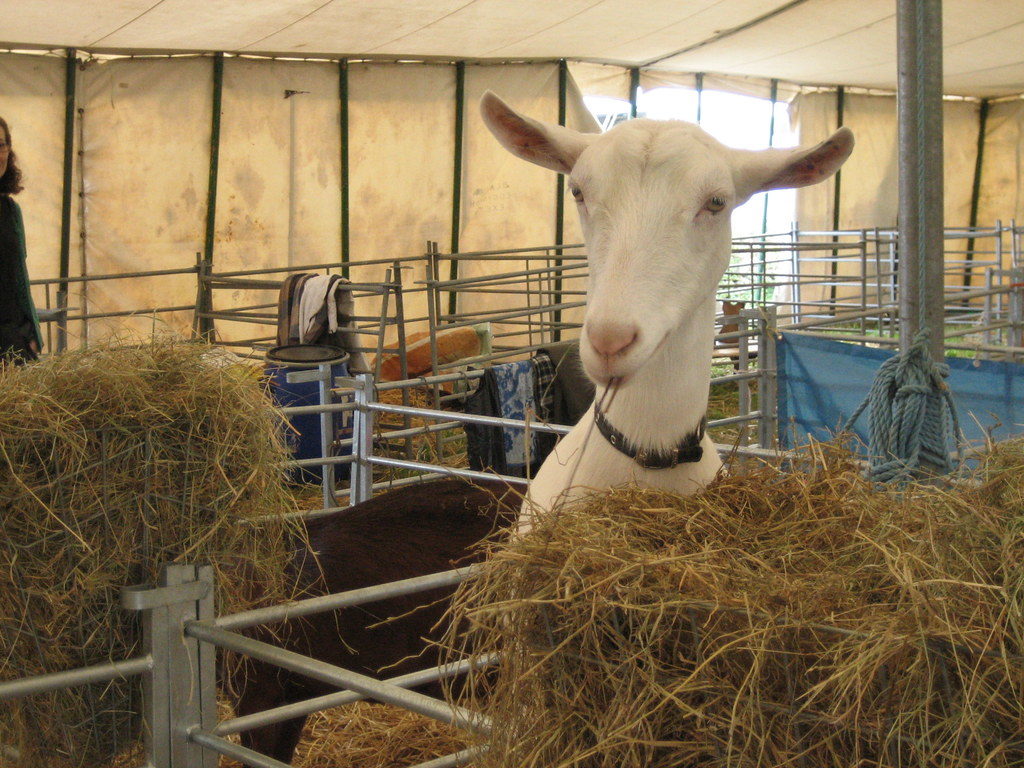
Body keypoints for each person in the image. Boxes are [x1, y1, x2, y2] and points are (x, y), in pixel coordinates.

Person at [0, 116, 42, 363]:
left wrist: (31, 331)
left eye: (1, 145)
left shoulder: (10, 210)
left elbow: (19, 277)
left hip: (12, 344)